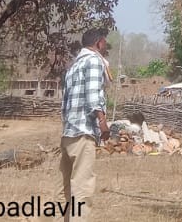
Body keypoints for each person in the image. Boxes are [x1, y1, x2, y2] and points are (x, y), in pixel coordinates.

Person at [60, 28, 110, 219]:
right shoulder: (94, 61)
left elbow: (64, 103)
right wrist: (102, 122)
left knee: (64, 189)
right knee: (82, 189)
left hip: (68, 134)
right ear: (99, 43)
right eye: (104, 43)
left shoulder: (73, 66)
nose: (105, 46)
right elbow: (92, 95)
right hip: (84, 132)